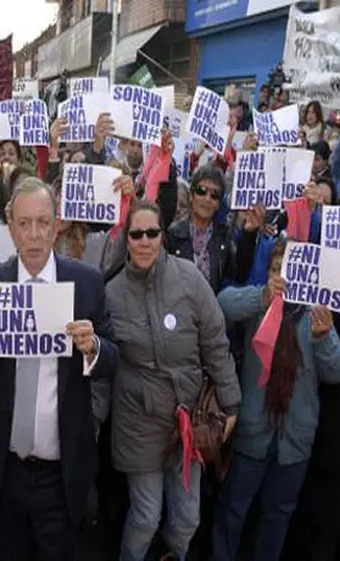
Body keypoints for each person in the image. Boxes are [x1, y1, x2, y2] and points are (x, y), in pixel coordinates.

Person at [0, 177, 119, 561]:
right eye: (24, 223)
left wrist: (94, 347)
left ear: (56, 225)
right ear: (11, 228)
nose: (34, 234)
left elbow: (114, 358)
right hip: (6, 473)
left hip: (62, 475)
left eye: (43, 222)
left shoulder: (86, 283)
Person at [106, 200, 240, 561]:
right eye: (137, 234)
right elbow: (103, 364)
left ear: (162, 236)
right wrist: (92, 420)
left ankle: (172, 555)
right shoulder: (112, 294)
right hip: (139, 421)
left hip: (187, 420)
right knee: (146, 516)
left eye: (152, 233)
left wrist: (231, 403)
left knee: (187, 517)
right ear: (127, 239)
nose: (144, 241)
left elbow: (215, 341)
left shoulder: (189, 277)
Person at [211, 239, 340, 561]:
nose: (282, 278)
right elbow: (223, 304)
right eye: (276, 269)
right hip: (253, 433)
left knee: (278, 515)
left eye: (289, 272)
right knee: (233, 509)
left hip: (294, 440)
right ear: (268, 272)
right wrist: (261, 297)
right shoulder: (260, 304)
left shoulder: (315, 316)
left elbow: (337, 371)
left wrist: (324, 338)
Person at [165, 165, 237, 293]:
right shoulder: (172, 234)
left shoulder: (224, 236)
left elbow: (239, 274)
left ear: (218, 204)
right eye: (202, 191)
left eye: (214, 195)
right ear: (191, 196)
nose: (207, 199)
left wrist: (250, 233)